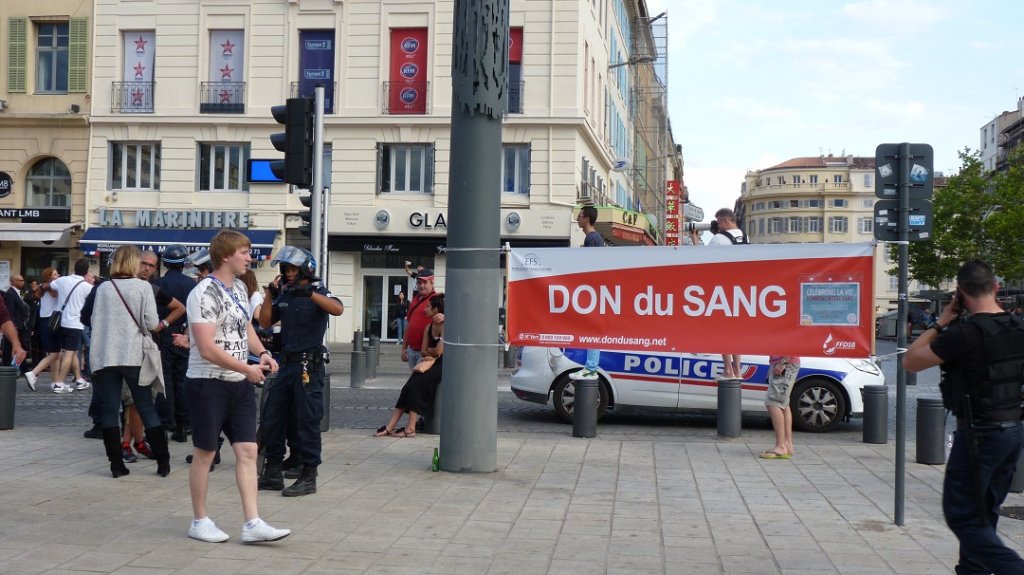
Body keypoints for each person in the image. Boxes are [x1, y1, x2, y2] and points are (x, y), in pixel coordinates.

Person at [904, 260, 1024, 574]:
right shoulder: (1019, 327)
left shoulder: (963, 334)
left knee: (963, 516)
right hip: (1012, 431)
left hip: (979, 435)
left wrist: (941, 322)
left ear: (959, 294)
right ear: (996, 287)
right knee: (986, 512)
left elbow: (911, 361)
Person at [185, 230, 289, 543]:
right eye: (244, 252)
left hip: (239, 382)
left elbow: (245, 329)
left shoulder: (241, 288)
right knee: (205, 452)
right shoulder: (203, 293)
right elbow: (205, 348)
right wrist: (247, 368)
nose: (249, 257)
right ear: (227, 255)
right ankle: (199, 520)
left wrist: (264, 353)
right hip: (207, 382)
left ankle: (252, 522)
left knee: (247, 450)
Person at [257, 246, 344, 497]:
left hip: (308, 365)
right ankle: (273, 471)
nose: (289, 273)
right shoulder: (284, 294)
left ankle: (308, 475)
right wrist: (269, 295)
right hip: (286, 364)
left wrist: (311, 294)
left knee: (307, 420)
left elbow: (337, 309)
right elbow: (264, 323)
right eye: (286, 269)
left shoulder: (317, 292)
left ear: (306, 268)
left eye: (293, 268)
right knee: (272, 417)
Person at [87, 245, 171, 479]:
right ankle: (163, 463)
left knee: (109, 411)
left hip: (106, 356)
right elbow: (152, 323)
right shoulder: (143, 287)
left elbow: (95, 321)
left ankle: (116, 465)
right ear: (134, 263)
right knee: (145, 407)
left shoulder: (104, 288)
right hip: (134, 355)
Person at [689, 208, 747, 382]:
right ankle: (737, 370)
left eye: (719, 222)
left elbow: (703, 259)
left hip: (722, 291)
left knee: (722, 331)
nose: (718, 225)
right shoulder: (744, 238)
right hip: (741, 291)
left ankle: (728, 370)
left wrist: (694, 238)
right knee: (735, 333)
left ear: (724, 221)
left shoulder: (719, 239)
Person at [376, 293, 444, 438]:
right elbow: (425, 351)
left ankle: (410, 428)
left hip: (441, 366)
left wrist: (432, 351)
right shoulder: (428, 327)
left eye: (428, 307)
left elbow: (439, 352)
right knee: (408, 387)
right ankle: (391, 426)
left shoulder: (445, 326)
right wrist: (432, 351)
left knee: (415, 386)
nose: (425, 309)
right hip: (428, 363)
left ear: (436, 310)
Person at [152, 244, 197, 442]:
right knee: (181, 381)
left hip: (164, 334)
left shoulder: (158, 283)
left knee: (164, 381)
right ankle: (183, 424)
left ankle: (165, 421)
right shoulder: (192, 284)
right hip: (185, 335)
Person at [569, 206, 604, 382]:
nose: (577, 217)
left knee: (592, 328)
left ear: (587, 219)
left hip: (592, 291)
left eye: (580, 215)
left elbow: (591, 266)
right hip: (593, 290)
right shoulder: (594, 238)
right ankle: (590, 366)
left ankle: (591, 367)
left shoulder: (592, 238)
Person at [49, 259, 93, 393]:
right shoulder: (87, 287)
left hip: (61, 322)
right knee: (69, 354)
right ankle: (59, 383)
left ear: (74, 268)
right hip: (75, 324)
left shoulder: (63, 280)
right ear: (86, 272)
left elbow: (52, 285)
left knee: (72, 352)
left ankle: (79, 379)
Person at [25, 268, 60, 392]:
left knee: (55, 353)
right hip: (52, 321)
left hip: (45, 321)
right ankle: (33, 373)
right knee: (55, 354)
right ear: (49, 277)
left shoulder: (43, 287)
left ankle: (55, 382)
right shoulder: (50, 288)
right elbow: (58, 295)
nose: (58, 276)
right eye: (55, 274)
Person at [760, 355, 800, 459]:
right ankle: (787, 445)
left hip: (784, 363)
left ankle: (781, 446)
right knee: (784, 403)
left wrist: (783, 362)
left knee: (773, 402)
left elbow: (793, 341)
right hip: (784, 363)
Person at [401, 270, 437, 371]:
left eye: (425, 282)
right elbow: (408, 325)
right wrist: (404, 348)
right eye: (419, 282)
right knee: (416, 379)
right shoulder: (415, 299)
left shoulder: (436, 300)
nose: (421, 285)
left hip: (425, 352)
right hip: (412, 350)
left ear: (432, 282)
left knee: (418, 381)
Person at [3, 274, 30, 370]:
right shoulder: (10, 294)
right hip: (15, 326)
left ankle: (22, 367)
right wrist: (13, 327)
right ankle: (7, 367)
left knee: (16, 346)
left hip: (20, 325)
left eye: (23, 280)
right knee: (9, 347)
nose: (23, 282)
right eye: (20, 280)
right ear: (14, 281)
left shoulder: (17, 293)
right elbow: (9, 311)